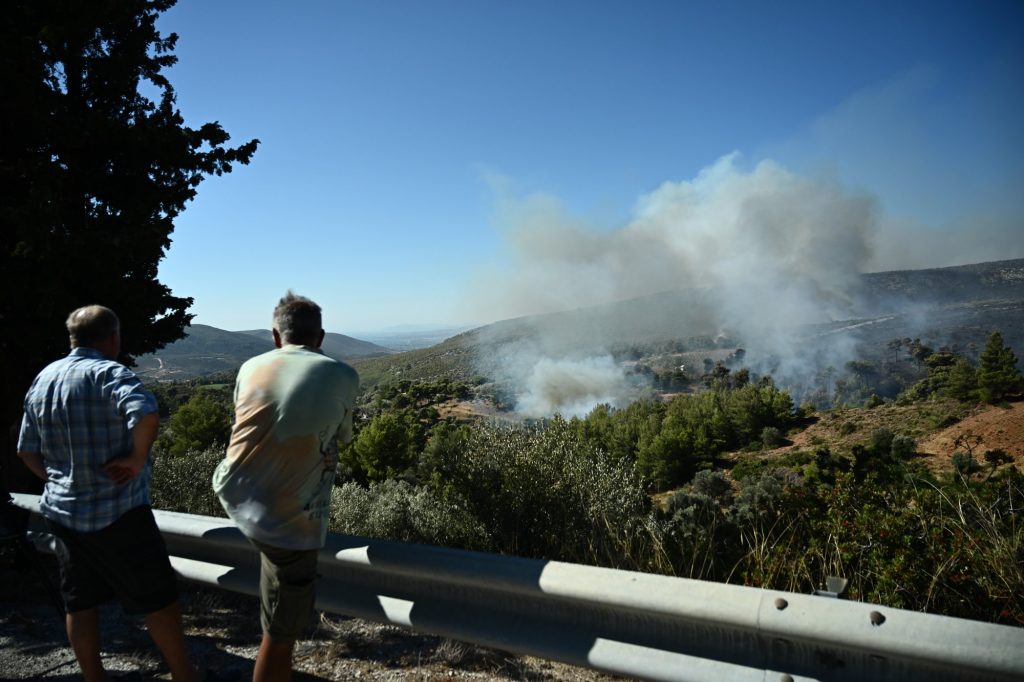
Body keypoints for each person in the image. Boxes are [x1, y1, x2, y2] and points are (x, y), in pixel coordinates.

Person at [16, 305, 197, 682]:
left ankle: (94, 677)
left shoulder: (44, 378)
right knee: (157, 602)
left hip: (64, 514)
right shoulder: (108, 373)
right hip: (118, 512)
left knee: (79, 603)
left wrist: (55, 480)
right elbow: (146, 412)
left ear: (73, 338)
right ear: (113, 337)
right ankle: (185, 676)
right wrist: (135, 458)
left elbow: (25, 450)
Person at [213, 292, 359, 682]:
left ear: (276, 336)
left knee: (276, 593)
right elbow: (342, 437)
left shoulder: (250, 367)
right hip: (290, 519)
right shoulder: (343, 374)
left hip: (233, 490)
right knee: (279, 636)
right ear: (321, 337)